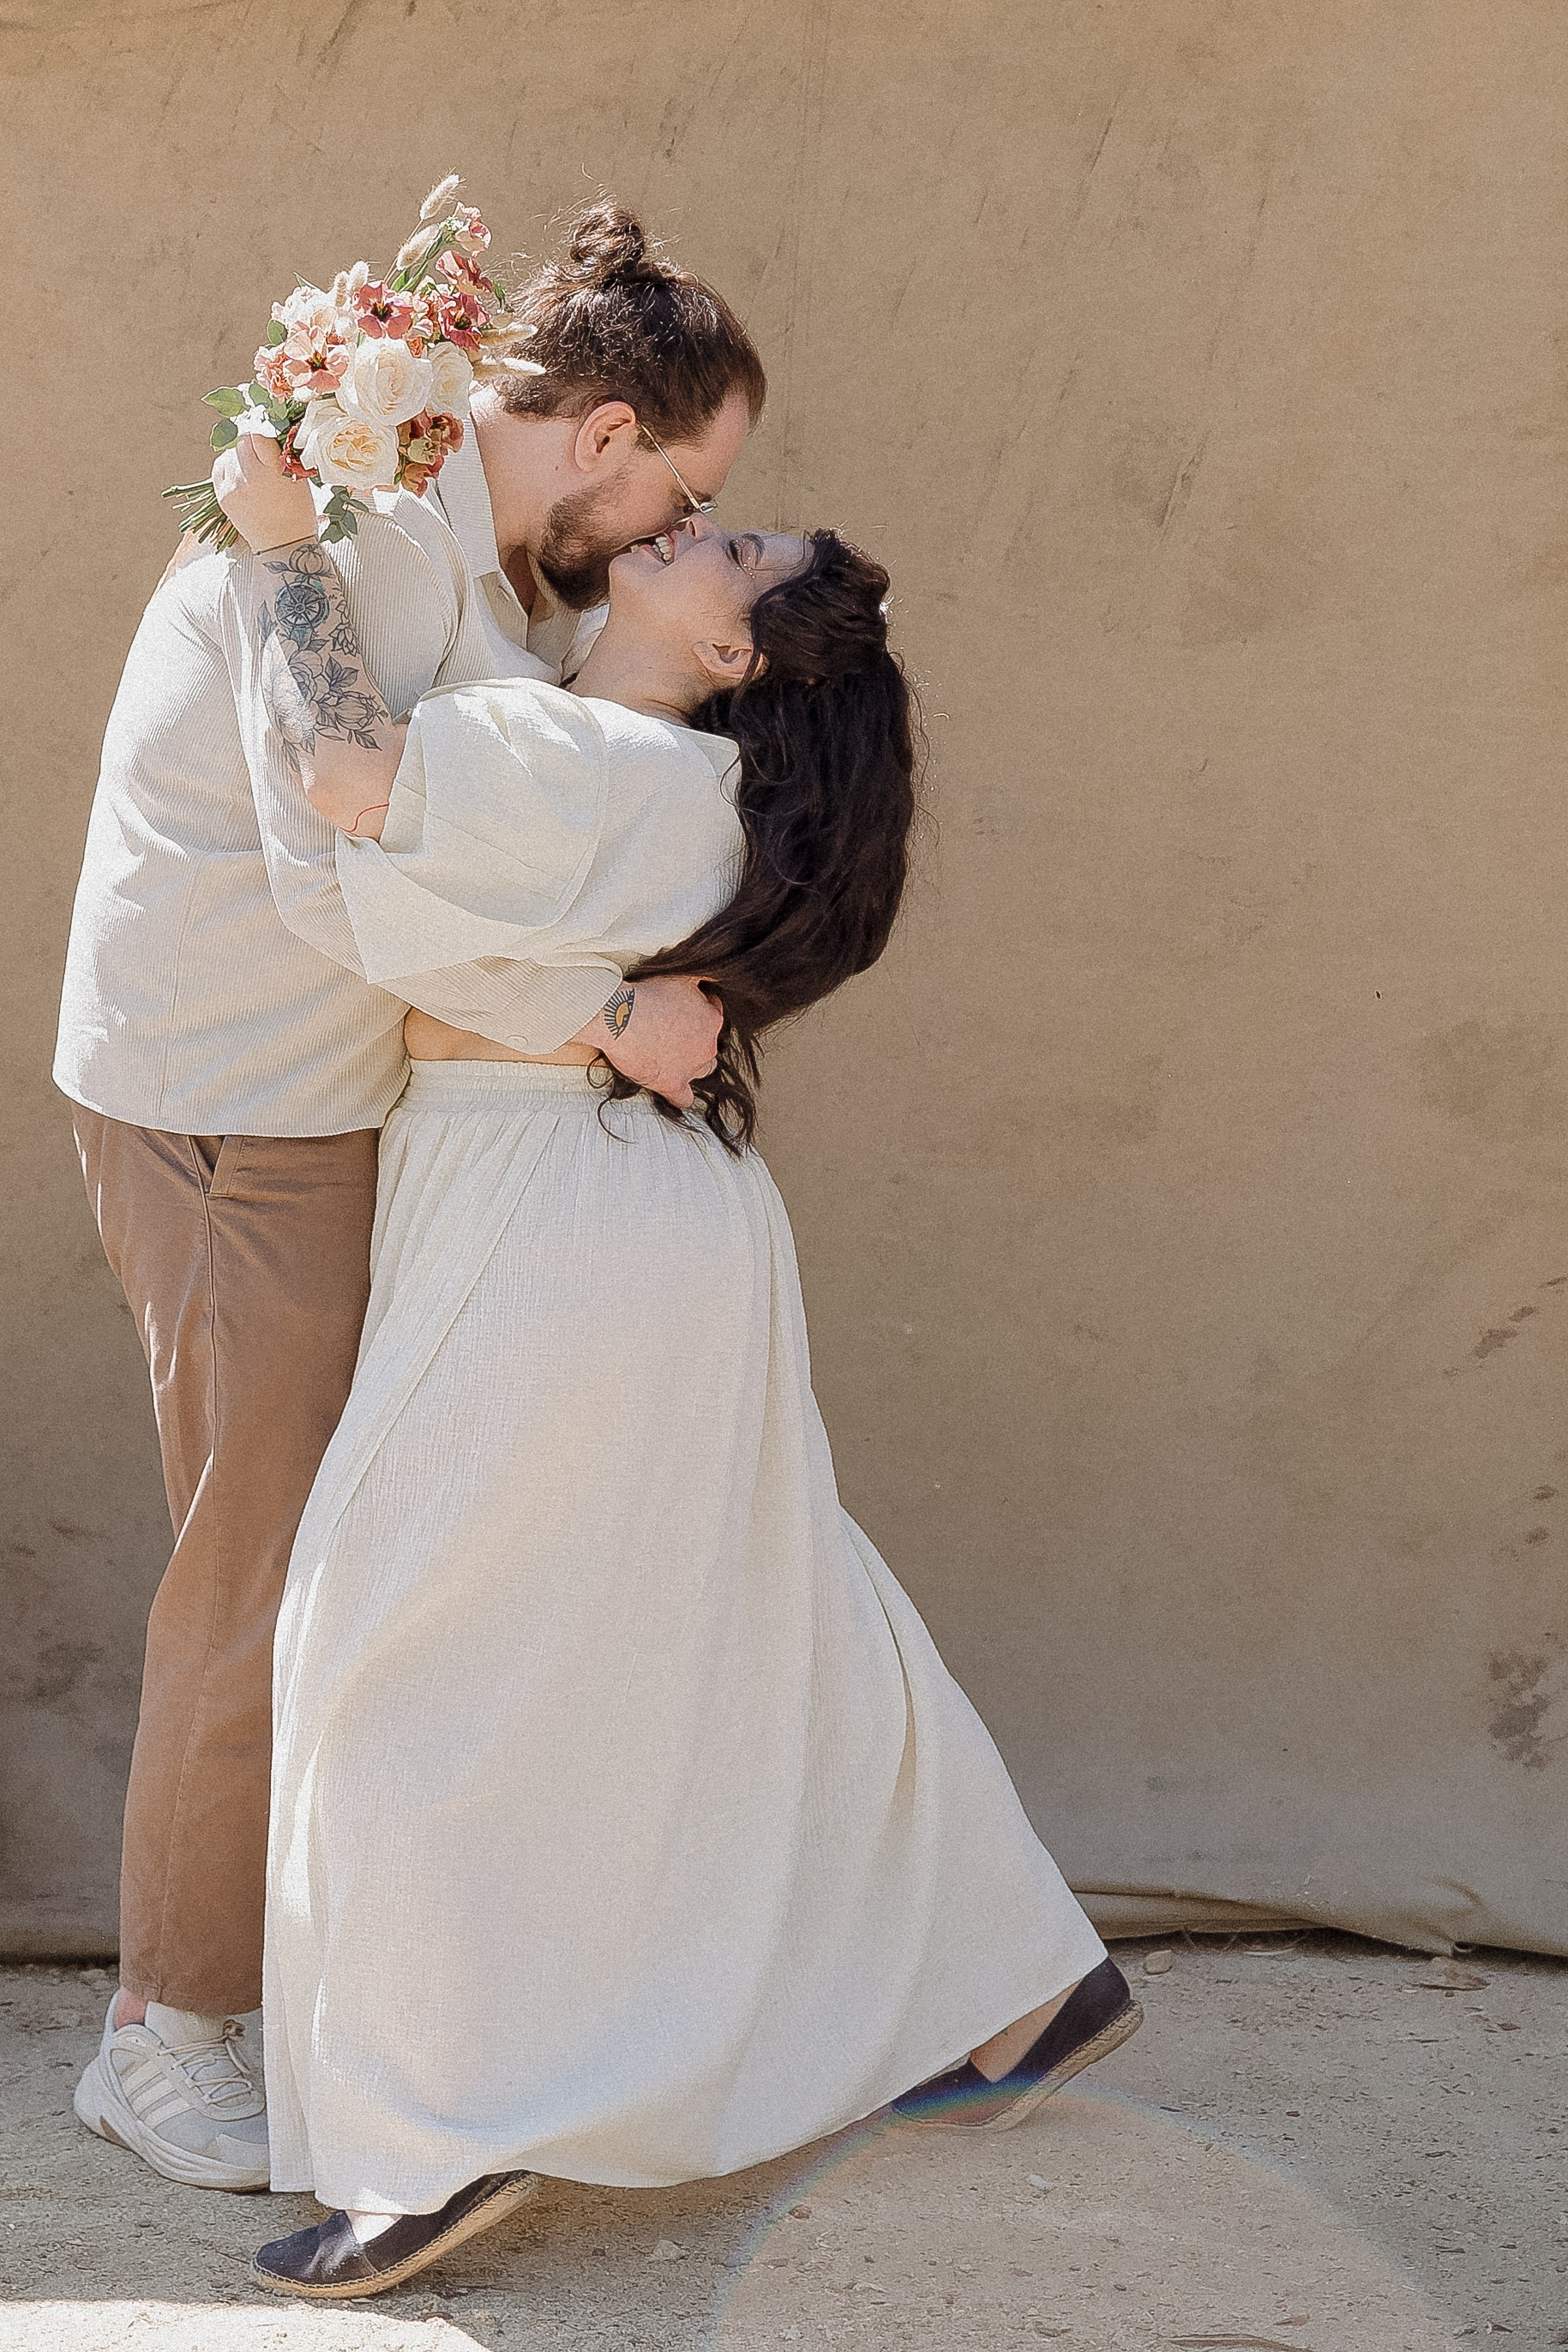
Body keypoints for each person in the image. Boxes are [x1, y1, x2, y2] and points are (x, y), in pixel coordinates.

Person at [208, 441, 1144, 2302]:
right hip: (660, 1218)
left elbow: (335, 782)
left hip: (546, 1214)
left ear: (735, 660)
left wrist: (284, 551)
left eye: (741, 548)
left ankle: (431, 2146)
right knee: (772, 1606)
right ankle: (1024, 1977)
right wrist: (590, 1004)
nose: (705, 529)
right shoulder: (653, 774)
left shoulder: (577, 755)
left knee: (389, 1648)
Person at [54, 199, 765, 2192]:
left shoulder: (445, 522)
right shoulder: (360, 520)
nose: (674, 538)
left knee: (341, 1549)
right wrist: (600, 1006)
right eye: (689, 495)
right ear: (608, 433)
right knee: (262, 1556)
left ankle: (291, 1977)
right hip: (234, 1104)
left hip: (328, 1098)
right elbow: (333, 873)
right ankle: (164, 2034)